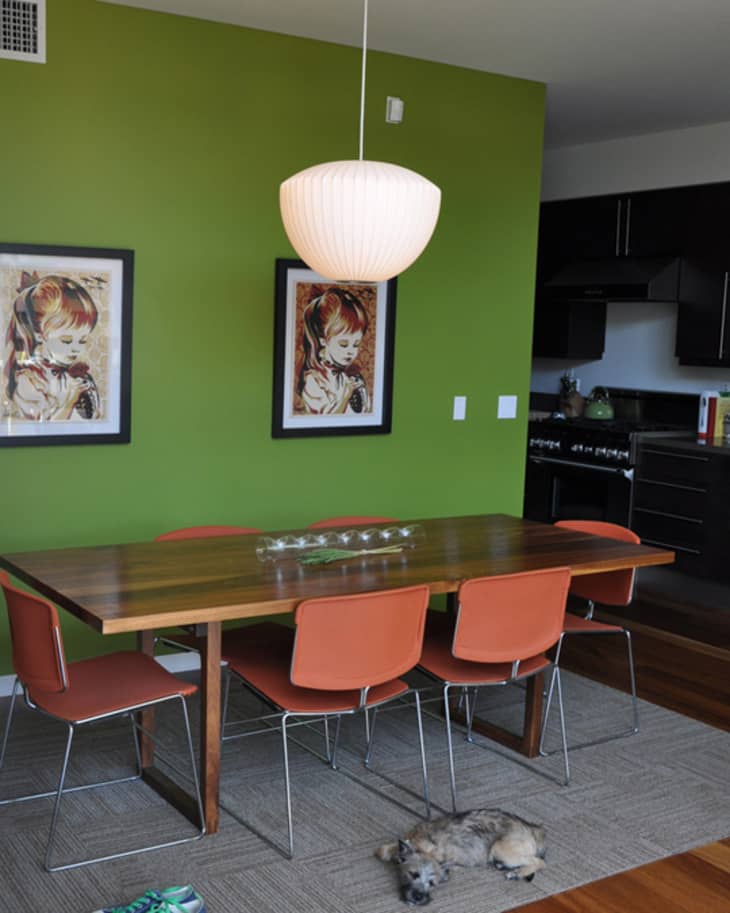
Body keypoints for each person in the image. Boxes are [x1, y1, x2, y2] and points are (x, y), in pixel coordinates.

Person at [3, 272, 101, 421]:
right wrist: (70, 400)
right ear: (39, 335)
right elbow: (44, 430)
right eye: (66, 340)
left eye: (82, 341)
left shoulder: (81, 376)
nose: (76, 348)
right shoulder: (30, 381)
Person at [297, 287, 372, 415]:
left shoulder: (348, 376)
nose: (350, 352)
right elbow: (324, 422)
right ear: (323, 341)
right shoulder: (314, 381)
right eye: (343, 344)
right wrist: (346, 396)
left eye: (356, 345)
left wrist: (361, 396)